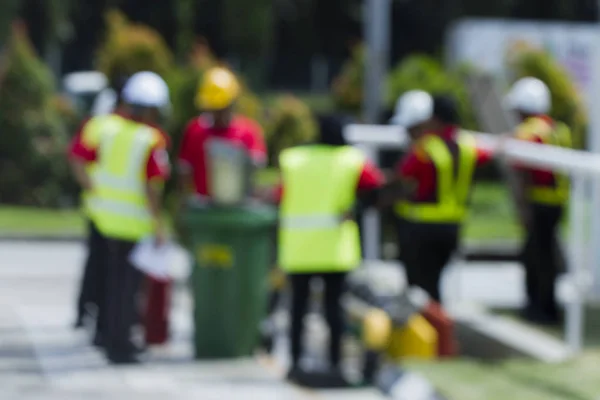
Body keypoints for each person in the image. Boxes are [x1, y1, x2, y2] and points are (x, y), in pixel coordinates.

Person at [70, 71, 171, 364]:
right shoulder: (150, 140)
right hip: (132, 223)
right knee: (127, 288)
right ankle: (120, 343)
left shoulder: (103, 127)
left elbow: (77, 159)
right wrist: (158, 224)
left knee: (107, 281)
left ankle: (105, 334)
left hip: (103, 218)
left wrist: (94, 191)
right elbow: (152, 188)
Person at [275, 114, 385, 382]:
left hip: (299, 250)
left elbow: (279, 194)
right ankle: (335, 364)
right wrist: (357, 209)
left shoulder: (293, 159)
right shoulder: (351, 160)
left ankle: (295, 362)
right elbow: (375, 189)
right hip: (335, 250)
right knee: (334, 310)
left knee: (298, 309)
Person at [391, 91, 492, 303]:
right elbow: (487, 155)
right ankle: (437, 332)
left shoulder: (424, 149)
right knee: (434, 287)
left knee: (419, 291)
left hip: (420, 227)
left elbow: (402, 178)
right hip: (453, 228)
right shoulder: (468, 145)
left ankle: (432, 334)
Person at [504, 77, 571, 324]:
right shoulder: (558, 129)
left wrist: (523, 208)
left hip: (538, 204)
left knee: (537, 257)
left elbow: (521, 169)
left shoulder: (529, 131)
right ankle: (547, 307)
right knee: (545, 256)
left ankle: (539, 309)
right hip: (558, 203)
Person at [69, 76, 129, 331]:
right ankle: (87, 312)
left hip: (111, 210)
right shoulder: (101, 127)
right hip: (101, 210)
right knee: (98, 263)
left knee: (102, 265)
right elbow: (78, 160)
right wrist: (95, 190)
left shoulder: (109, 128)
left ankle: (95, 315)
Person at [177, 67, 267, 199]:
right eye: (213, 108)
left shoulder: (247, 131)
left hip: (237, 208)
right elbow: (184, 169)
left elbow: (258, 164)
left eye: (221, 108)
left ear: (232, 103)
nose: (217, 113)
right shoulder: (195, 130)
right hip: (203, 208)